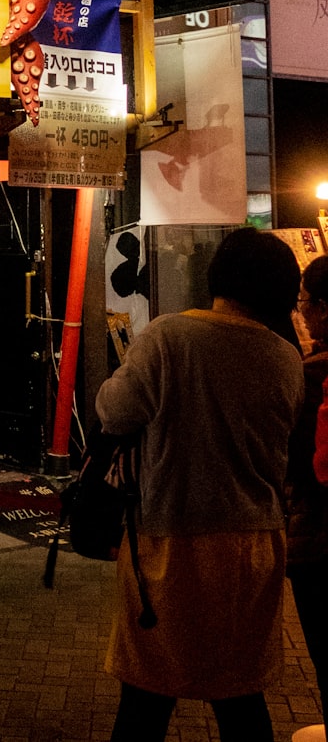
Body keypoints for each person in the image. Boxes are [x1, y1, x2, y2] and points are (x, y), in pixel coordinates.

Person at [96, 227, 305, 742]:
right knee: (239, 696)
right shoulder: (285, 358)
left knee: (147, 695)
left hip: (173, 541)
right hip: (256, 544)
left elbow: (113, 411)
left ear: (217, 275)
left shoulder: (170, 337)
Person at [287, 255, 328, 733]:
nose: (301, 313)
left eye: (304, 303)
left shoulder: (311, 374)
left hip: (318, 534)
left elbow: (302, 464)